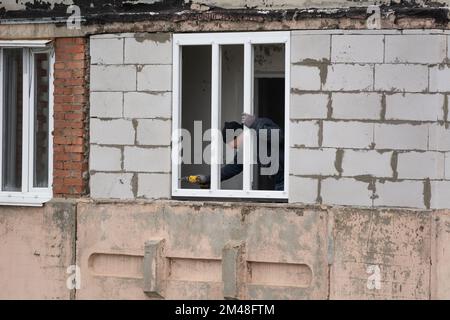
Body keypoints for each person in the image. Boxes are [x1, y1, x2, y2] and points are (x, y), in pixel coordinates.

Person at [201, 113, 284, 191]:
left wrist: (254, 123)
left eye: (236, 145)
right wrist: (209, 179)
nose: (238, 148)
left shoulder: (260, 124)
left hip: (288, 175)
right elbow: (233, 167)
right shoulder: (246, 148)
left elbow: (279, 136)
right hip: (279, 180)